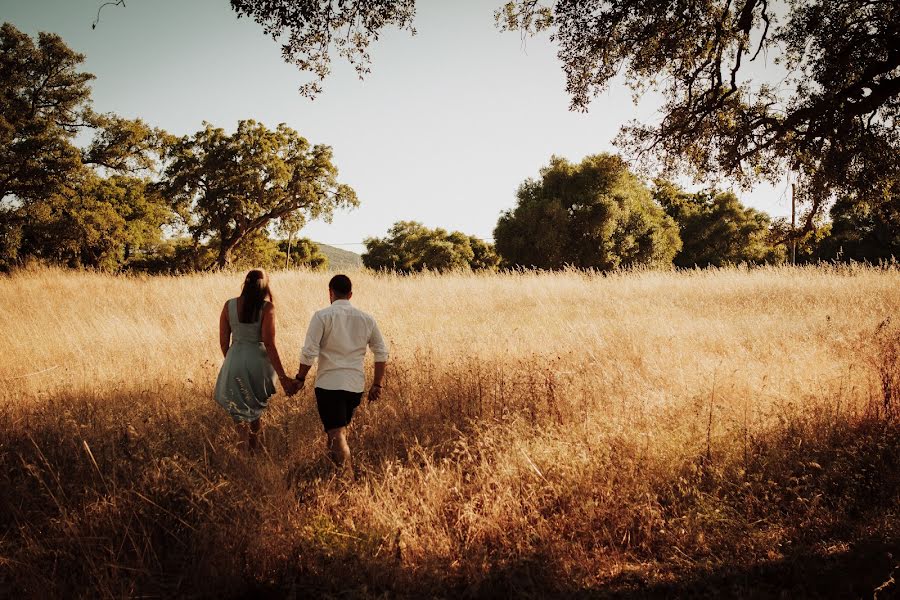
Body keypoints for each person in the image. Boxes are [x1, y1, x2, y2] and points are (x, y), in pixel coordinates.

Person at [296, 274, 388, 472]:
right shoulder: (367, 319)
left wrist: (300, 378)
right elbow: (381, 351)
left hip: (329, 384)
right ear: (350, 294)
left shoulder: (322, 316)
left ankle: (346, 477)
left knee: (336, 433)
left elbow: (309, 352)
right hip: (355, 386)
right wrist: (377, 384)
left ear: (330, 293)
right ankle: (334, 474)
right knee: (336, 431)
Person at [214, 269, 298, 451]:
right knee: (254, 412)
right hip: (258, 363)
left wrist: (233, 359)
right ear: (265, 286)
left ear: (245, 283)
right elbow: (269, 343)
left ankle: (243, 451)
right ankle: (255, 450)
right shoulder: (267, 308)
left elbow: (223, 341)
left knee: (239, 412)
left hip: (234, 359)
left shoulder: (228, 305)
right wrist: (282, 377)